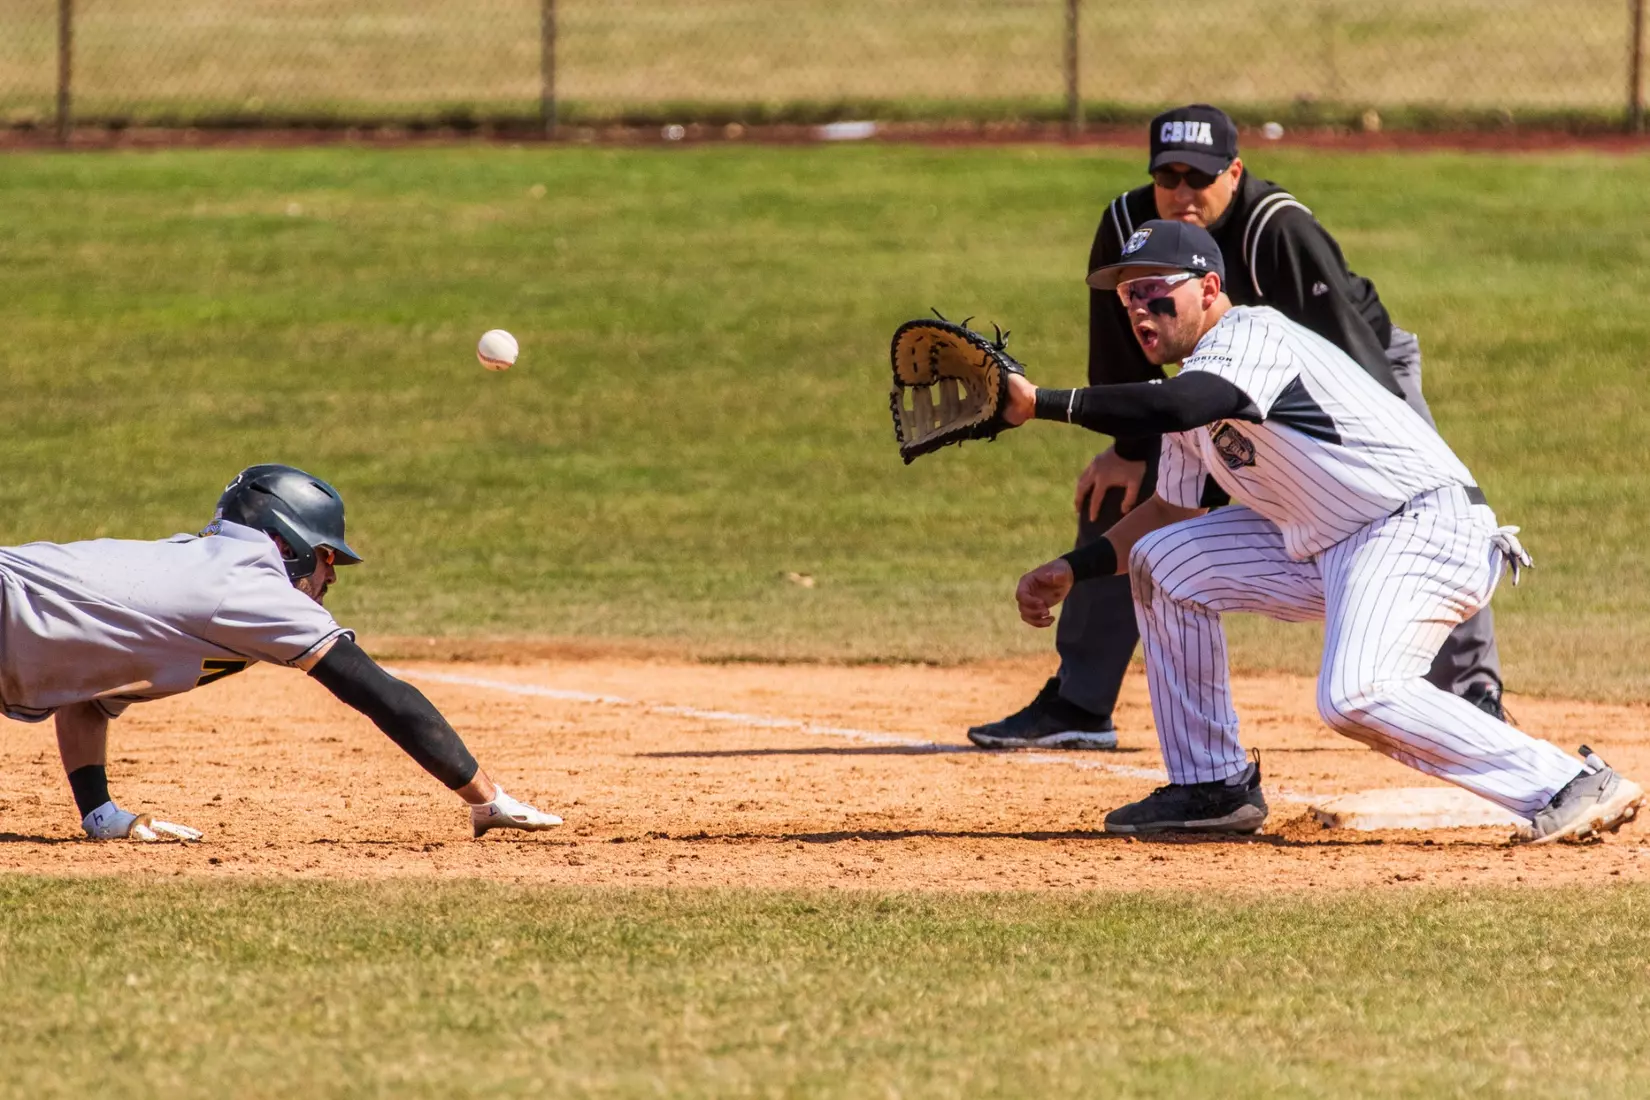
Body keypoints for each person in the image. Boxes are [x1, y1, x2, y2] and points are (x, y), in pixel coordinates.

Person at [996, 219, 1642, 843]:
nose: (1140, 308)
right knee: (1164, 561)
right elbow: (1169, 511)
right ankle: (1210, 787)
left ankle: (1564, 784)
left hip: (1419, 527)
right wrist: (1071, 569)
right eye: (1128, 295)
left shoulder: (1251, 337)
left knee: (1356, 694)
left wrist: (1043, 403)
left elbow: (1181, 404)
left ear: (1210, 289)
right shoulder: (1194, 389)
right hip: (1333, 546)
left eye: (1155, 289)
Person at [968, 103, 1506, 752]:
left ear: (1234, 173)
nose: (1183, 193)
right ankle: (1081, 700)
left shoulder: (1276, 228)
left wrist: (1387, 444)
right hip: (1203, 389)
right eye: (1168, 177)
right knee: (1127, 499)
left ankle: (1475, 692)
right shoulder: (1130, 229)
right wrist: (1130, 450)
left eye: (1199, 177)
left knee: (1416, 508)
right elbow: (1129, 367)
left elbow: (1351, 350)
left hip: (1360, 374)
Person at [1, 464, 562, 841]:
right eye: (326, 557)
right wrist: (486, 798)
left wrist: (101, 815)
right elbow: (381, 695)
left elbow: (92, 699)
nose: (330, 577)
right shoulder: (250, 588)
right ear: (287, 541)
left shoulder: (192, 566)